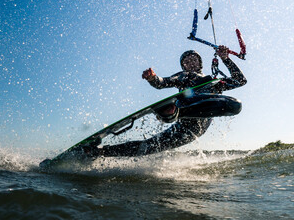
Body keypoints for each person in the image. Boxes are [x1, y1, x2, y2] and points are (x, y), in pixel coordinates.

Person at [88, 45, 246, 158]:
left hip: (196, 128)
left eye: (194, 60)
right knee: (149, 146)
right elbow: (162, 82)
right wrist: (152, 78)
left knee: (236, 105)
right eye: (186, 61)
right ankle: (99, 152)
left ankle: (172, 112)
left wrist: (226, 59)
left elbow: (240, 80)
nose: (190, 62)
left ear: (200, 63)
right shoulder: (183, 77)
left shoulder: (212, 81)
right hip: (183, 125)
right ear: (183, 66)